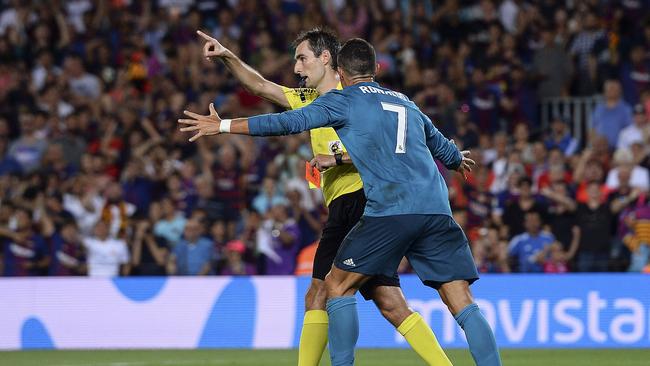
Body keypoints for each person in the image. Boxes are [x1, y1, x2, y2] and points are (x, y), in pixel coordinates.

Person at [180, 38, 501, 366]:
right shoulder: (402, 100)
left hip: (377, 204)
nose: (296, 68)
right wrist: (455, 159)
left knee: (332, 288)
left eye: (302, 59)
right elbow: (434, 142)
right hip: (432, 206)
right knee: (433, 301)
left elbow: (288, 124)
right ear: (375, 69)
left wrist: (222, 125)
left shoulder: (341, 100)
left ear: (336, 66)